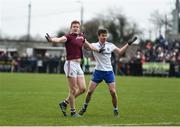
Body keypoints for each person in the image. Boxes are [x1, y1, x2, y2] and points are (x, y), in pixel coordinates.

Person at [45, 20, 103, 117]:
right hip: (70, 64)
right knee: (73, 89)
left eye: (77, 26)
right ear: (71, 28)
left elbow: (89, 46)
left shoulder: (81, 37)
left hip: (78, 65)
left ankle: (64, 103)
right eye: (74, 26)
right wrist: (51, 40)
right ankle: (73, 112)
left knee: (83, 88)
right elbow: (59, 39)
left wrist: (98, 49)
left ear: (79, 28)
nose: (76, 28)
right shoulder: (68, 37)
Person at [78, 28, 137, 117]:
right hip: (98, 72)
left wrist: (128, 44)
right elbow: (86, 46)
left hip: (109, 72)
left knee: (113, 92)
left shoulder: (110, 45)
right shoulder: (94, 45)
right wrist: (82, 38)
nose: (105, 37)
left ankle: (116, 109)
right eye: (103, 36)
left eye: (106, 36)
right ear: (99, 36)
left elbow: (120, 52)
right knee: (89, 92)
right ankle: (84, 107)